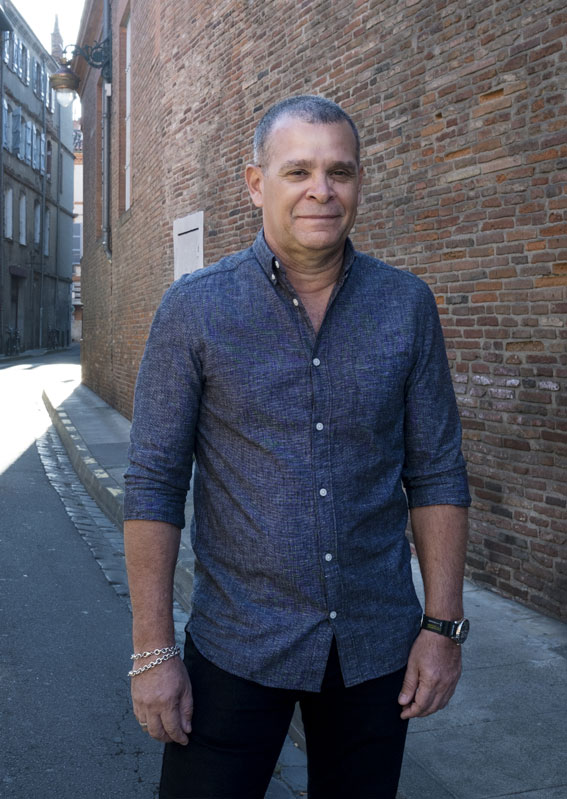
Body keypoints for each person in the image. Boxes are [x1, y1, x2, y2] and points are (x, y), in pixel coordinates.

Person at [123, 95, 471, 799]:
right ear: (257, 184)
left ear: (359, 182)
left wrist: (442, 628)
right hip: (237, 643)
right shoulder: (194, 308)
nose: (321, 189)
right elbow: (154, 481)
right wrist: (153, 650)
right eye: (298, 171)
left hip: (375, 646)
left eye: (339, 171)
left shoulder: (406, 305)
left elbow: (436, 472)